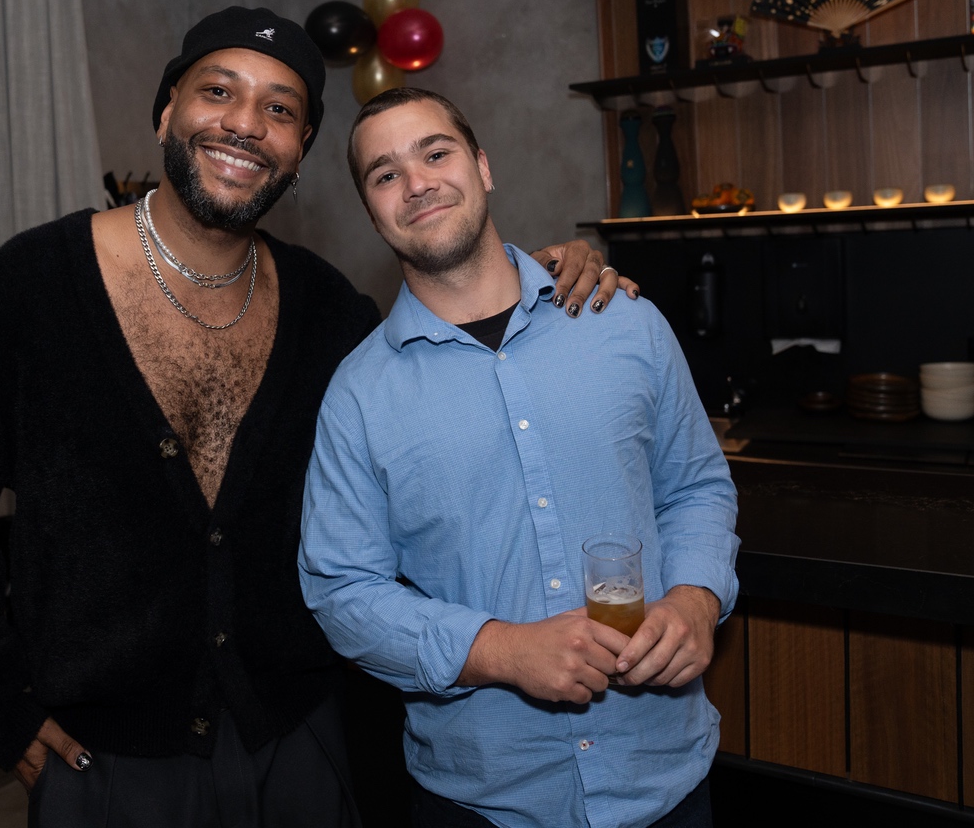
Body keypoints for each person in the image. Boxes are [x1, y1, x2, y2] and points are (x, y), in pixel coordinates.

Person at [0, 9, 638, 827]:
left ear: (299, 151)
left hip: (303, 741)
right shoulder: (30, 286)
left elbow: (458, 393)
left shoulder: (331, 313)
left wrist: (553, 275)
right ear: (166, 113)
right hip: (107, 760)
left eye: (280, 109)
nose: (246, 124)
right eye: (218, 91)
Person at [299, 87, 739, 828]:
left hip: (663, 776)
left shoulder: (623, 322)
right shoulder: (358, 396)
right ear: (371, 211)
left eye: (436, 153)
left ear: (482, 166)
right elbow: (341, 590)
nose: (417, 183)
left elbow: (695, 487)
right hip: (483, 801)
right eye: (386, 174)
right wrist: (499, 652)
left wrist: (698, 597)